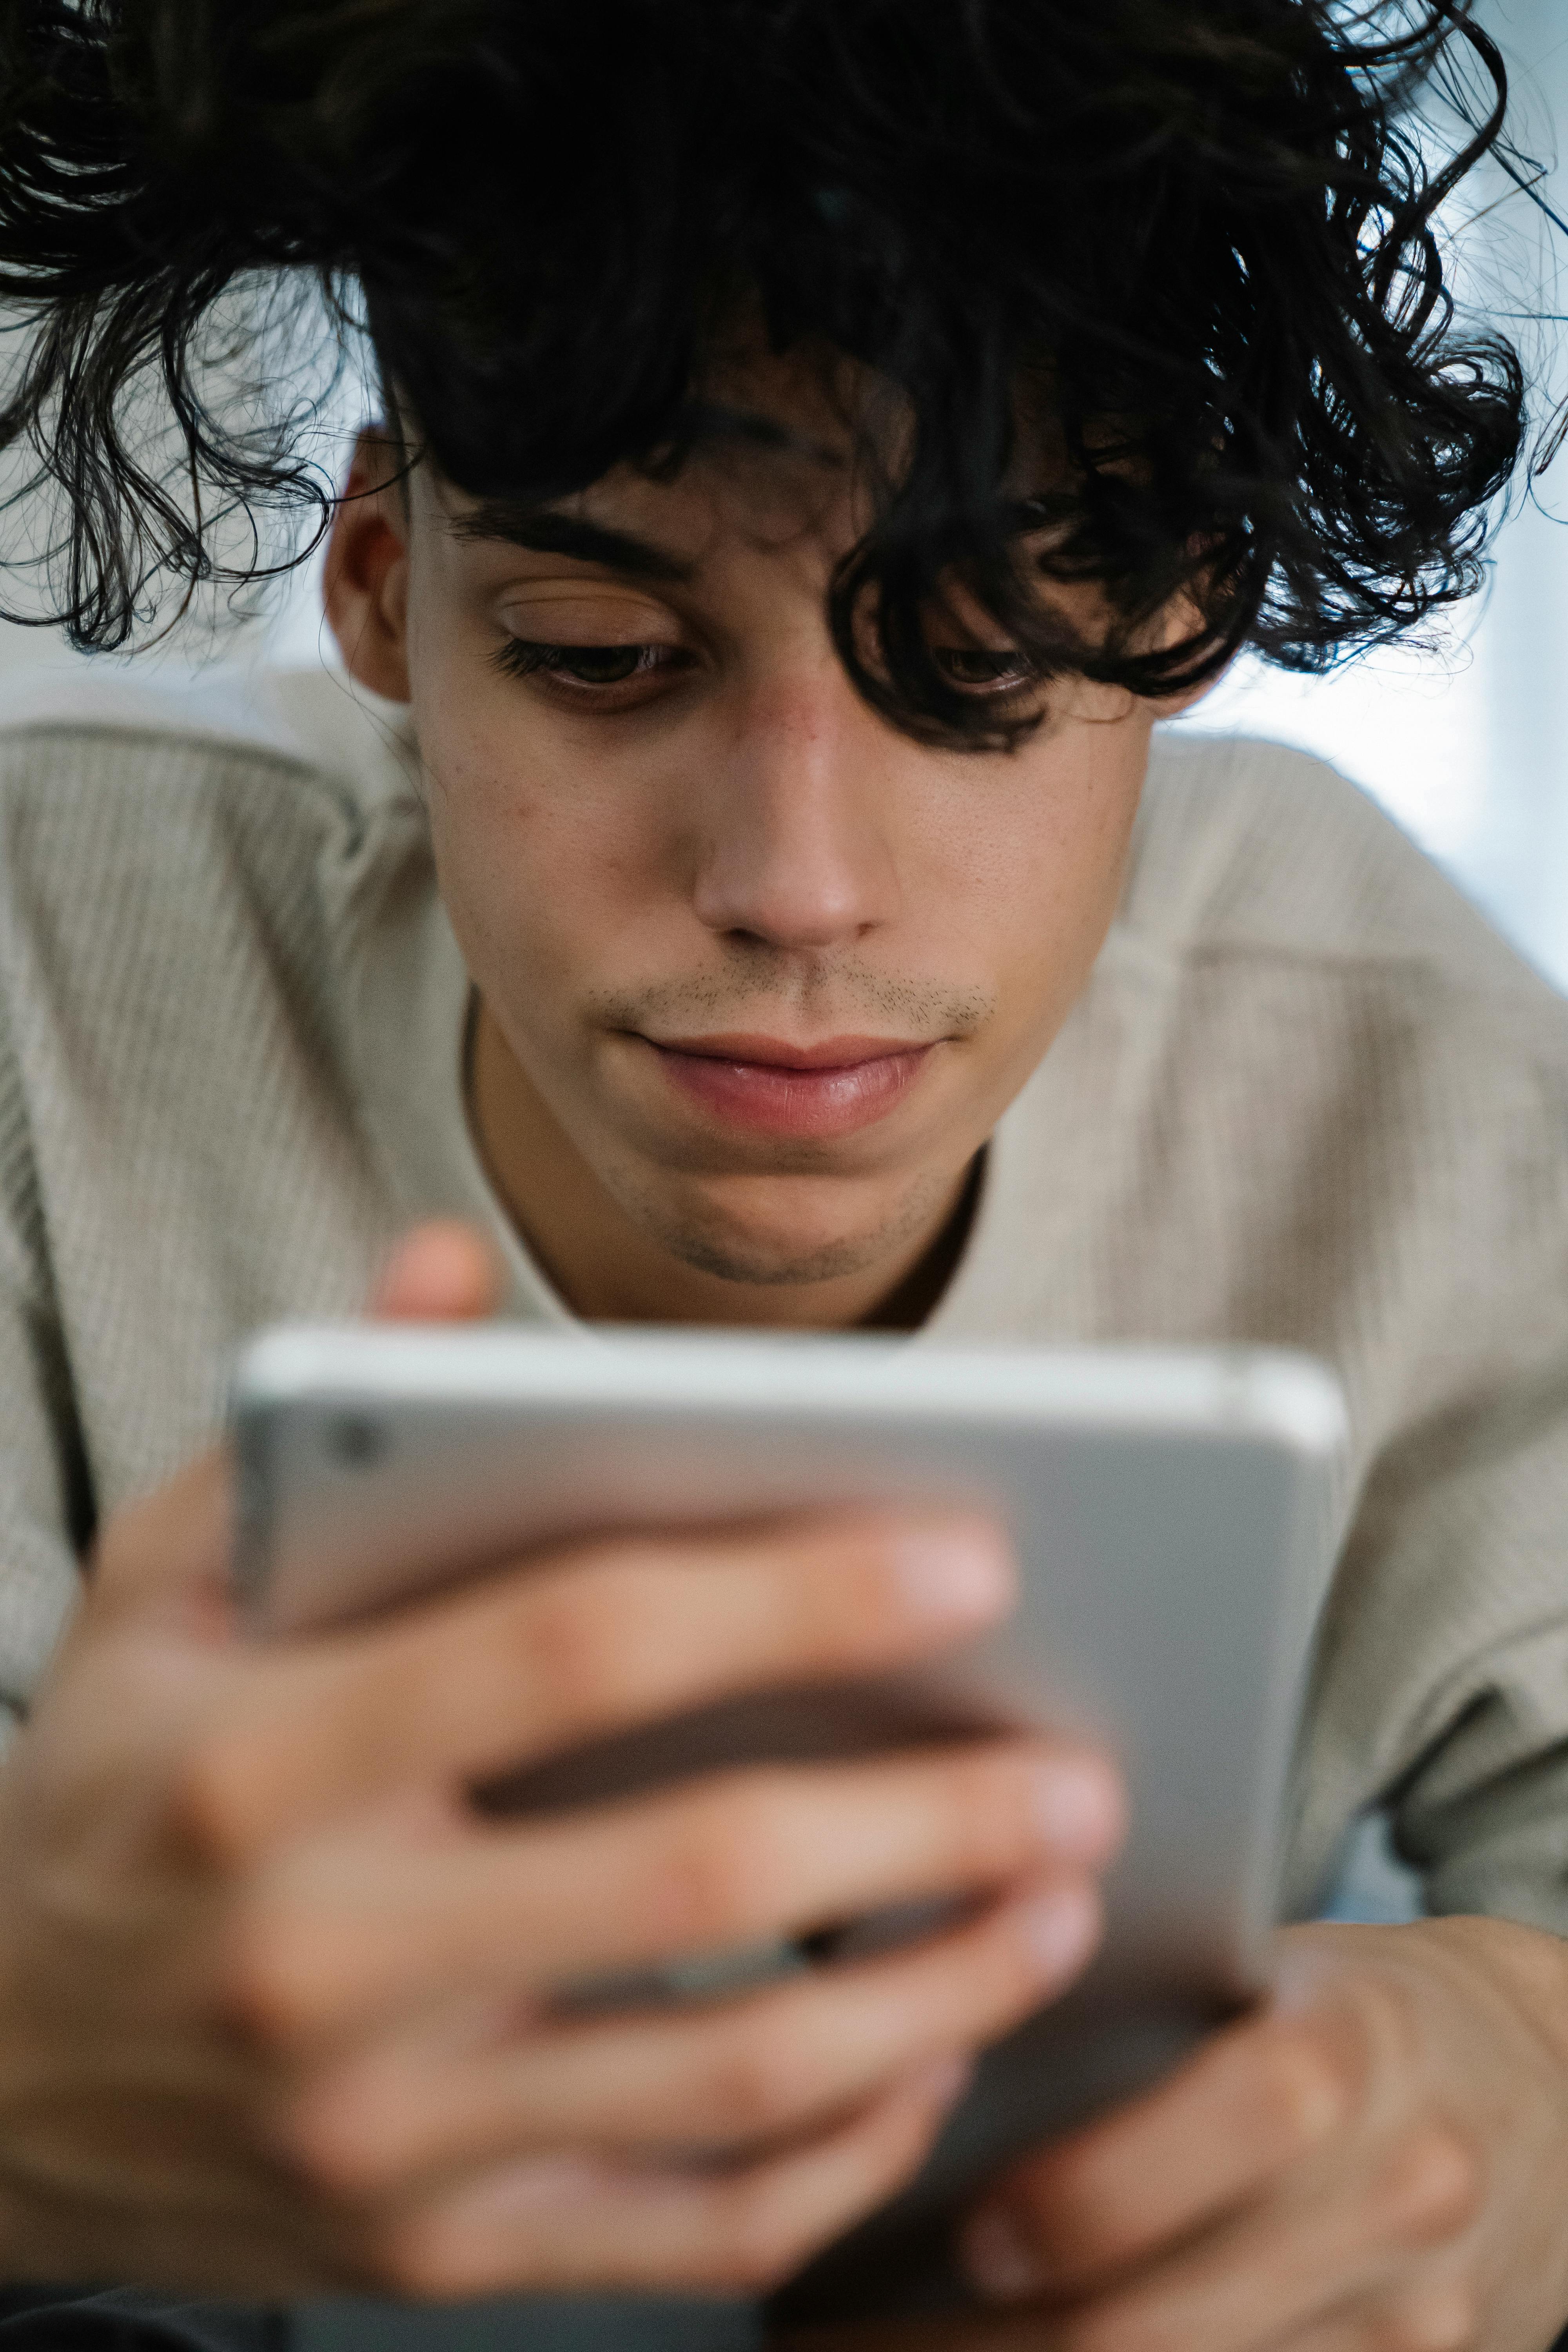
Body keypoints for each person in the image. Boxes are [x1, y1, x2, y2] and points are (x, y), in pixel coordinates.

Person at [0, 1, 1563, 2347]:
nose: (798, 887)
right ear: (384, 594)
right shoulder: (48, 962)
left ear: (1187, 616)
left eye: (974, 664)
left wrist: (1514, 2081)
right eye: (608, 654)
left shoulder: (1409, 1071)